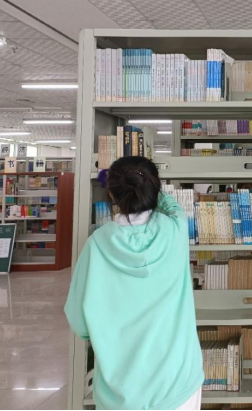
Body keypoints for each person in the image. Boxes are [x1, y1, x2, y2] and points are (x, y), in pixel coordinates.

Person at [65, 156, 204, 410]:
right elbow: (170, 205)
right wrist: (146, 184)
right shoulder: (175, 229)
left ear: (112, 194)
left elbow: (79, 321)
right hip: (177, 380)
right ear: (153, 188)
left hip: (120, 389)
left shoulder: (96, 245)